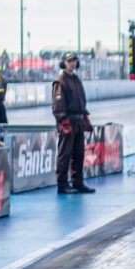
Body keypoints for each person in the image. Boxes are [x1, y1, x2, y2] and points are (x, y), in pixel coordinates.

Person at [51, 52, 95, 194]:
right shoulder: (60, 81)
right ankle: (62, 184)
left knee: (79, 154)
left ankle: (78, 182)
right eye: (69, 61)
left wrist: (85, 117)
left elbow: (81, 100)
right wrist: (64, 122)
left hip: (78, 121)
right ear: (64, 63)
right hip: (67, 121)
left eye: (74, 61)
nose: (72, 63)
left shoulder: (76, 79)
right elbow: (58, 105)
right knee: (64, 154)